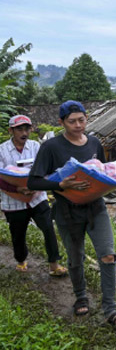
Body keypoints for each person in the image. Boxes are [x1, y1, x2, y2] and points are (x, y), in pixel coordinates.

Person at [28, 101, 116, 331]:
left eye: (81, 120)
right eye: (72, 121)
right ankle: (81, 297)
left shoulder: (94, 142)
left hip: (96, 209)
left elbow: (102, 172)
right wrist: (59, 183)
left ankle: (110, 309)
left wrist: (114, 183)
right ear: (61, 122)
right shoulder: (51, 147)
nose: (77, 125)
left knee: (108, 255)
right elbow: (33, 181)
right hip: (67, 211)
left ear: (87, 118)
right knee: (75, 259)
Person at [0, 115, 67, 276]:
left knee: (48, 228)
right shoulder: (2, 150)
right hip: (13, 200)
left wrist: (36, 187)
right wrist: (18, 190)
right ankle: (21, 260)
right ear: (11, 130)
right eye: (19, 129)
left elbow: (45, 169)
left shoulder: (36, 146)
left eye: (27, 129)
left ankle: (54, 264)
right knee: (18, 233)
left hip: (38, 198)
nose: (24, 133)